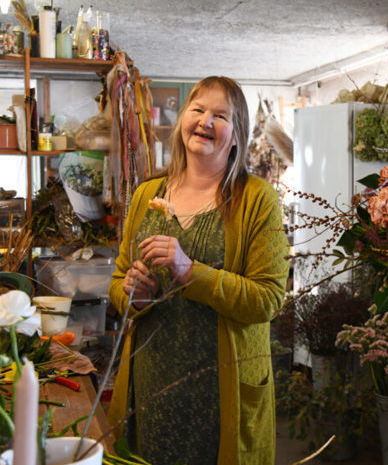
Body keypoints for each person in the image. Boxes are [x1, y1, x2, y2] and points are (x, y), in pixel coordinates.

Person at [107, 76, 289, 464]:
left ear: (236, 135)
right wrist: (134, 295)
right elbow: (119, 282)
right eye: (198, 110)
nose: (206, 121)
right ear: (182, 120)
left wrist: (189, 271)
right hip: (152, 386)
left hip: (222, 391)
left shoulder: (257, 199)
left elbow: (269, 301)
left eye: (220, 115)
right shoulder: (147, 195)